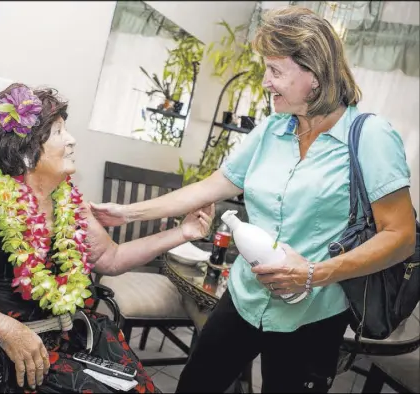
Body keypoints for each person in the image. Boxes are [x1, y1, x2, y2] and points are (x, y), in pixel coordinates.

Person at [90, 6, 417, 393]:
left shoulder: (371, 136)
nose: (266, 82)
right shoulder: (272, 129)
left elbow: (400, 236)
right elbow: (213, 185)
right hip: (244, 298)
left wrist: (314, 274)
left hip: (313, 314)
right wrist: (127, 213)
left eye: (276, 71)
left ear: (314, 75)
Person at [0, 83, 215, 393]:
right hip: (6, 358)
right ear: (28, 151)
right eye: (58, 132)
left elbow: (110, 259)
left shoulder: (69, 200)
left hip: (69, 339)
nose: (71, 140)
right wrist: (4, 328)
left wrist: (183, 232)